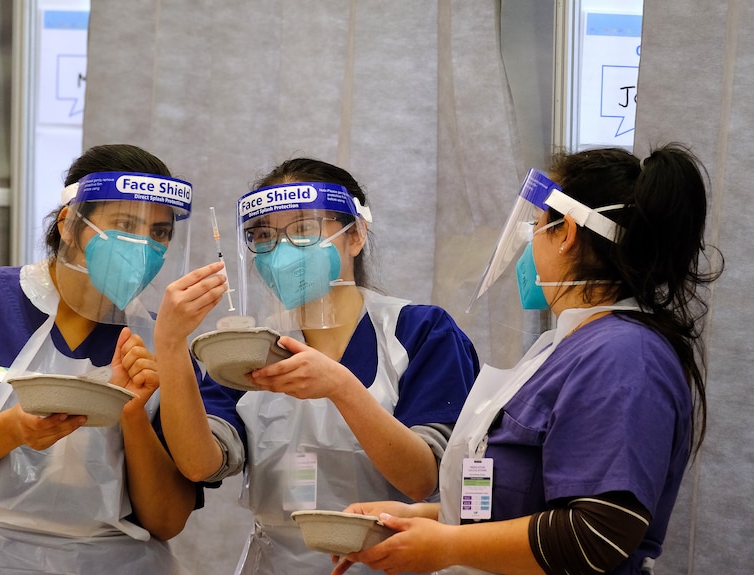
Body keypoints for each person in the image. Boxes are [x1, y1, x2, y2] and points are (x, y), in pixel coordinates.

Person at [332, 144, 724, 575]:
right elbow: (521, 503)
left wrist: (449, 545)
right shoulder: (573, 344)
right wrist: (415, 521)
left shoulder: (623, 356)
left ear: (568, 232)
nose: (529, 242)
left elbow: (600, 532)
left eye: (536, 225)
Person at [151, 158, 480, 574]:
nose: (282, 250)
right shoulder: (248, 348)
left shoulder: (420, 331)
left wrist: (341, 387)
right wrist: (171, 342)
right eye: (265, 235)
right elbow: (201, 463)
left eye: (304, 229)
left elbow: (421, 480)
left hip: (392, 562)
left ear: (355, 235)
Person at [0, 144, 207, 573]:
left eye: (159, 233)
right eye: (124, 225)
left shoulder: (164, 344)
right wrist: (13, 429)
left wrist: (131, 413)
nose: (142, 245)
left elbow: (168, 520)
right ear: (70, 225)